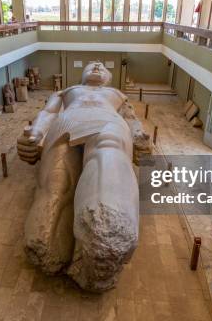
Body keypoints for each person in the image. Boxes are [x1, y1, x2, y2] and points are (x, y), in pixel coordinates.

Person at [16, 62, 151, 292]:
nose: (97, 66)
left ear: (108, 78)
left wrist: (139, 135)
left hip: (107, 122)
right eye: (91, 65)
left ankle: (105, 236)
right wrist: (35, 134)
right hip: (68, 122)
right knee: (57, 186)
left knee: (107, 155)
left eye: (101, 66)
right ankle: (50, 245)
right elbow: (48, 113)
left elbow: (130, 118)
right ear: (82, 75)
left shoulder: (115, 94)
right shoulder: (67, 92)